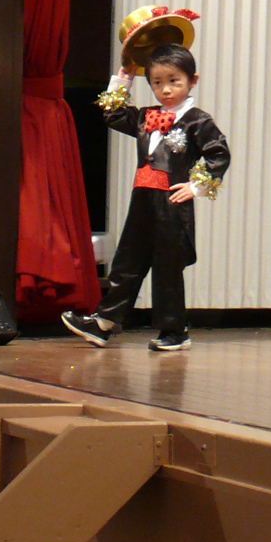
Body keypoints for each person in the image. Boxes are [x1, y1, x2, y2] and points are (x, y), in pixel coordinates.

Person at [62, 45, 230, 353]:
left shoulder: (197, 121)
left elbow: (218, 153)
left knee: (167, 266)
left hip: (171, 204)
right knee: (127, 260)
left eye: (174, 81)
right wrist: (123, 79)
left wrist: (195, 187)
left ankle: (174, 331)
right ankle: (104, 322)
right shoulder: (145, 117)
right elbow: (113, 114)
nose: (165, 90)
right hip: (142, 199)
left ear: (192, 80)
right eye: (157, 82)